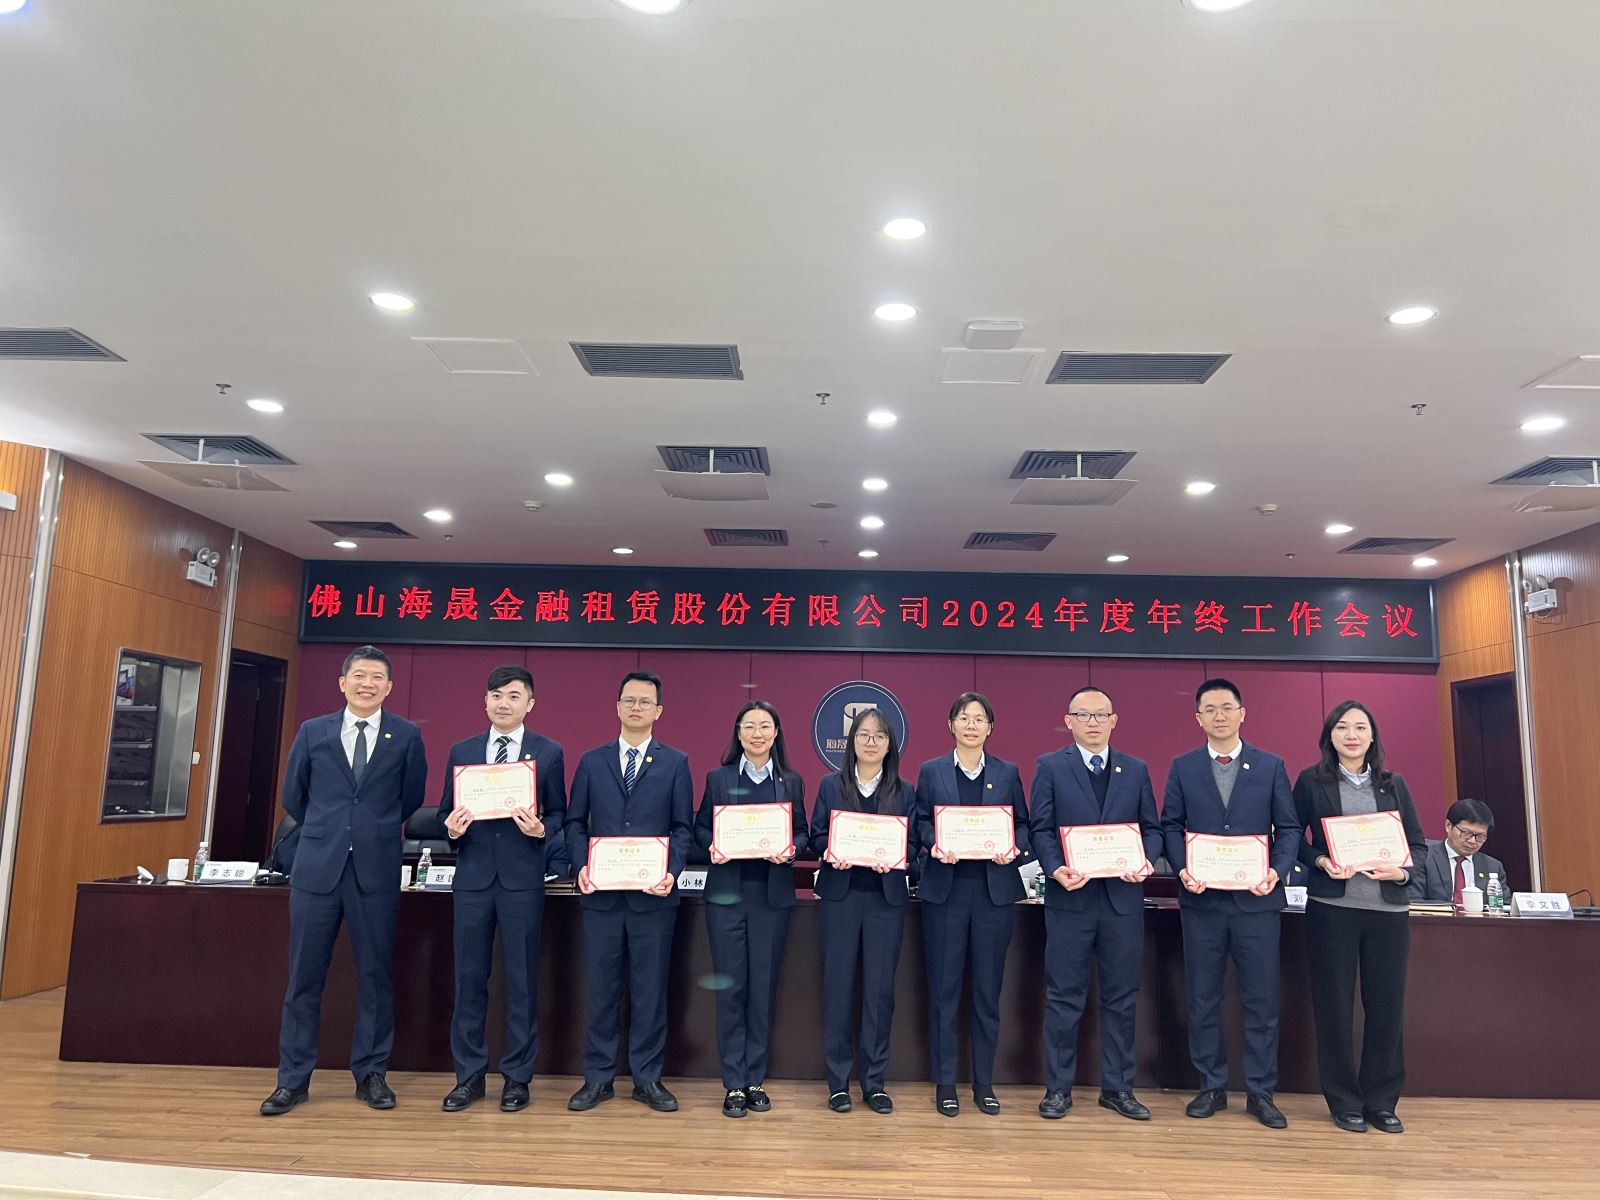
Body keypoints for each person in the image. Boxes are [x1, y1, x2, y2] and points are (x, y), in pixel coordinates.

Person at [260, 645, 428, 1116]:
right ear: (342, 682)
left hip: (375, 868)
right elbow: (294, 796)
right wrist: (332, 827)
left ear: (389, 687)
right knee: (304, 976)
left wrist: (370, 828)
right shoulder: (313, 731)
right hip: (318, 867)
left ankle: (371, 1074)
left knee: (375, 975)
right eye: (359, 675)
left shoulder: (406, 735)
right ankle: (292, 1080)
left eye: (376, 677)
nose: (367, 684)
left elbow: (410, 796)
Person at [1161, 677, 1301, 1130]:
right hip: (1202, 902)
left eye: (1227, 707)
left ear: (1243, 713)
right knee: (1203, 997)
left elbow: (1289, 828)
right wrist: (1182, 867)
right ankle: (1211, 1085)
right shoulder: (1183, 767)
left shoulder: (1270, 765)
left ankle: (1261, 1092)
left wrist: (1276, 870)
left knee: (1261, 999)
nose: (1219, 716)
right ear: (1198, 718)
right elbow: (1170, 825)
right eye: (1210, 709)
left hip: (1256, 903)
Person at [1028, 685, 1162, 1122]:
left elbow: (1152, 829)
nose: (1093, 722)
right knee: (1064, 997)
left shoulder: (1136, 769)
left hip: (1122, 902)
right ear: (1068, 721)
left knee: (1121, 998)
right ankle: (1057, 1090)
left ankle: (1118, 1089)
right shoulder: (1050, 766)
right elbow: (1040, 829)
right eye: (1083, 715)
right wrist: (1054, 868)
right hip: (1070, 900)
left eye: (1101, 714)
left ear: (1114, 721)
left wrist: (1145, 860)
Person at [437, 664, 567, 1113]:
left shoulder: (548, 752)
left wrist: (541, 829)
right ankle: (468, 1076)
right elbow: (445, 812)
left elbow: (560, 814)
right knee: (469, 979)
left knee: (522, 981)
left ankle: (517, 1078)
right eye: (496, 695)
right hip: (473, 879)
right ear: (485, 701)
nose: (503, 703)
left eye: (513, 696)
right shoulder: (463, 750)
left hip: (521, 880)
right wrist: (451, 829)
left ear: (530, 704)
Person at [1293, 700, 1427, 1135]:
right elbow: (1293, 838)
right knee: (1334, 1008)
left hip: (1388, 911)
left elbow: (1418, 845)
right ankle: (1344, 1101)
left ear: (1372, 736)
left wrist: (1401, 872)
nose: (1351, 735)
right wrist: (1320, 862)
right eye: (1342, 727)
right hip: (1333, 909)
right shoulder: (1312, 781)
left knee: (1386, 1008)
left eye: (1360, 728)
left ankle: (1381, 1102)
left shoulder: (1393, 784)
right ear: (1329, 736)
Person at [564, 670, 693, 1114]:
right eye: (629, 700)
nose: (636, 708)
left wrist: (671, 871)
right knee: (600, 990)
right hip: (601, 897)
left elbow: (682, 827)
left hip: (653, 899)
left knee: (649, 991)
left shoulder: (675, 762)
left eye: (645, 702)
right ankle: (598, 1079)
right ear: (617, 707)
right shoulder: (591, 761)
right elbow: (575, 823)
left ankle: (647, 1079)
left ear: (659, 711)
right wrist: (581, 865)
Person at [913, 692, 1026, 1117]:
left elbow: (1023, 824)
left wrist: (1012, 847)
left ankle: (984, 1083)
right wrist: (934, 843)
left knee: (986, 992)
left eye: (980, 719)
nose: (972, 725)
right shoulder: (931, 771)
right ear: (951, 725)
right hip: (945, 894)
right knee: (944, 992)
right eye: (964, 718)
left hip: (992, 894)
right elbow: (920, 822)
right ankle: (946, 1083)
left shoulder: (1007, 772)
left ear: (990, 727)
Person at [694, 701, 809, 1118]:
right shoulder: (719, 778)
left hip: (771, 900)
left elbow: (803, 833)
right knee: (731, 992)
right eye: (749, 727)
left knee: (762, 990)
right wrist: (712, 844)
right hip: (727, 898)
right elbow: (700, 827)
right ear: (738, 733)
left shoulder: (790, 782)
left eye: (765, 726)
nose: (757, 734)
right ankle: (733, 1083)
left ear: (776, 733)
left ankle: (755, 1079)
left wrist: (791, 850)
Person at [810, 707, 918, 1114]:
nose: (871, 742)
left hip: (885, 900)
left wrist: (897, 858)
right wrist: (830, 852)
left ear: (890, 745)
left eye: (879, 736)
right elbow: (817, 835)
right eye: (863, 735)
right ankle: (838, 1083)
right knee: (838, 989)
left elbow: (914, 844)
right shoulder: (830, 785)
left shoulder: (905, 791)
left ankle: (874, 1082)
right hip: (840, 898)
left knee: (879, 993)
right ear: (851, 742)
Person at [1410, 799, 1511, 903]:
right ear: (1448, 826)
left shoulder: (1493, 867)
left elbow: (1505, 906)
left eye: (1481, 836)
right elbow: (1414, 901)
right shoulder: (1423, 856)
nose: (1472, 841)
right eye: (1466, 833)